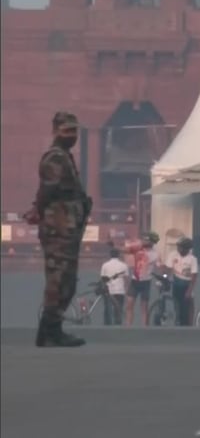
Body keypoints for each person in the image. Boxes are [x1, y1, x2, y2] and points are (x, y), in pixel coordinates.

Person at [24, 111, 92, 347]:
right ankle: (48, 332)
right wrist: (39, 211)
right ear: (55, 131)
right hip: (58, 230)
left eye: (74, 131)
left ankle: (53, 330)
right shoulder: (55, 158)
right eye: (66, 131)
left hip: (67, 230)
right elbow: (47, 191)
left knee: (67, 281)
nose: (71, 135)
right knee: (58, 280)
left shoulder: (64, 157)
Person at [127, 232, 157, 326]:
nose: (144, 241)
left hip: (146, 282)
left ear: (151, 242)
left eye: (146, 240)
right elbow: (127, 250)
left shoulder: (154, 254)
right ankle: (128, 327)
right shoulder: (138, 249)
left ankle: (144, 328)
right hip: (134, 280)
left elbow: (155, 264)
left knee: (144, 307)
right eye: (143, 240)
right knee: (129, 305)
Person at [169, 237, 199, 326]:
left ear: (186, 248)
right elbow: (168, 267)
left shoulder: (192, 259)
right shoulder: (173, 255)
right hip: (176, 284)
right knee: (177, 306)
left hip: (187, 285)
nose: (178, 249)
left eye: (180, 247)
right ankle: (177, 321)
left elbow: (194, 276)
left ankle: (188, 325)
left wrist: (189, 291)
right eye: (178, 247)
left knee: (187, 307)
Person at [99, 246, 129, 325]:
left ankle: (107, 324)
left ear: (110, 255)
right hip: (120, 290)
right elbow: (126, 280)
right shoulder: (124, 265)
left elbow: (102, 279)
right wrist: (126, 290)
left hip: (108, 290)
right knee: (118, 309)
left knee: (107, 309)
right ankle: (118, 324)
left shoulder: (105, 265)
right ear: (118, 255)